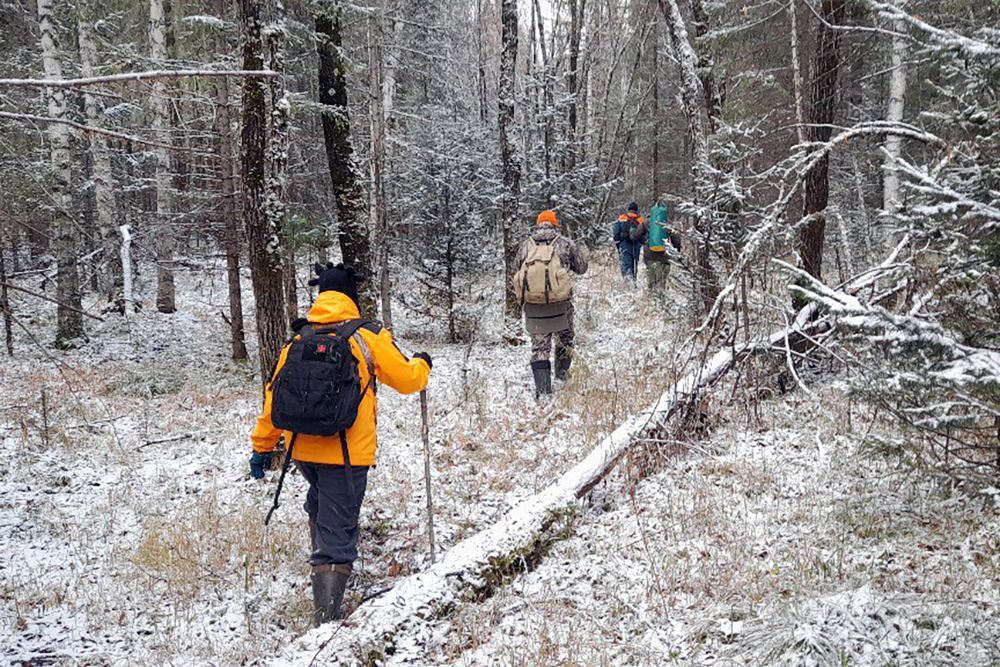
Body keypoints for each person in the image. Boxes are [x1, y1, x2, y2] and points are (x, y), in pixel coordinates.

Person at [248, 263, 432, 625]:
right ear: (351, 296)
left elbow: (273, 400)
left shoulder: (297, 340)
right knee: (338, 524)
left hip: (301, 450)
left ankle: (324, 561)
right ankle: (326, 620)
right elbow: (409, 380)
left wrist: (262, 447)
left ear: (321, 297)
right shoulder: (366, 335)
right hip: (346, 453)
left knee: (320, 501)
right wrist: (423, 364)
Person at [513, 210, 588, 397]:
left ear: (538, 224)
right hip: (561, 304)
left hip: (533, 305)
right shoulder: (564, 243)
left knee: (539, 347)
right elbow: (582, 267)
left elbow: (516, 267)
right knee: (565, 338)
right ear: (555, 224)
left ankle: (544, 391)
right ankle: (561, 377)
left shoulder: (526, 245)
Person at [644, 204, 676, 296]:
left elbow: (634, 235)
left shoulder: (646, 223)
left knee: (651, 284)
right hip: (664, 258)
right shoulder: (667, 223)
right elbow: (676, 239)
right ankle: (661, 304)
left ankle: (651, 304)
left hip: (649, 257)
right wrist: (676, 251)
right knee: (661, 284)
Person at [613, 202, 647, 284]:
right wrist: (640, 244)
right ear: (636, 210)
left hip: (624, 245)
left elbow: (616, 233)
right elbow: (643, 235)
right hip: (636, 246)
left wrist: (618, 245)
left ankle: (628, 285)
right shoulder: (640, 220)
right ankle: (633, 283)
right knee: (634, 266)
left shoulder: (622, 218)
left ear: (628, 209)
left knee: (626, 265)